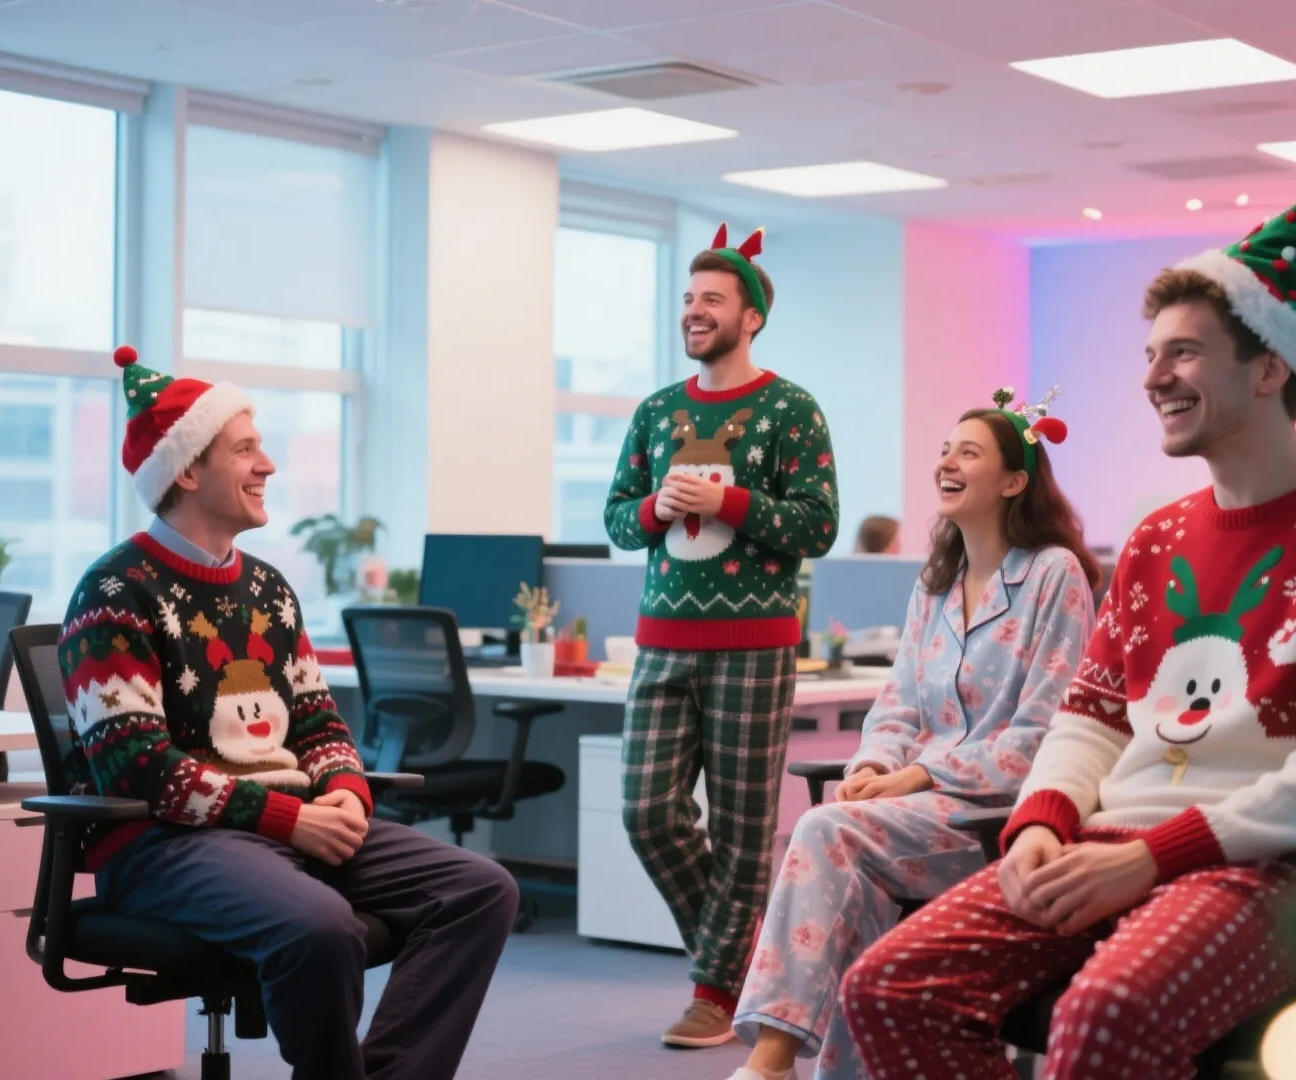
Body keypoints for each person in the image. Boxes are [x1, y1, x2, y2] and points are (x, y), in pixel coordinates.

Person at [840, 170, 1296, 1079]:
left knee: (1107, 1013)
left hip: (1273, 868)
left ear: (1270, 366)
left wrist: (1153, 858)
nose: (1154, 377)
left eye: (1186, 354)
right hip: (1105, 844)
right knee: (887, 988)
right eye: (1152, 353)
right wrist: (1043, 820)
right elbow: (1089, 720)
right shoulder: (1158, 538)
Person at [60, 347, 517, 1080]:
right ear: (186, 471)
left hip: (287, 824)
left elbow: (317, 722)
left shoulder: (268, 588)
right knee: (321, 927)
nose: (267, 464)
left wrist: (343, 793)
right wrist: (288, 819)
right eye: (245, 449)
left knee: (480, 890)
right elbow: (133, 762)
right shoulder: (115, 589)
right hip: (162, 847)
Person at [724, 395, 1103, 1080]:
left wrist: (923, 776)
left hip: (997, 816)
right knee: (854, 879)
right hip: (918, 816)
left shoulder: (1054, 574)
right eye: (944, 450)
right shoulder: (935, 585)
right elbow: (897, 703)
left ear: (1014, 481)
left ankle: (769, 1060)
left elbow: (1048, 732)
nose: (947, 463)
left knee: (824, 831)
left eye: (969, 453)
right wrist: (874, 765)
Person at [604, 224, 842, 1049]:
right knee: (645, 812)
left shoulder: (789, 408)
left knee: (743, 827)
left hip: (755, 642)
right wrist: (654, 511)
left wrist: (727, 504)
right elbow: (616, 519)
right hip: (661, 640)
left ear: (752, 318)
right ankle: (748, 958)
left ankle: (713, 988)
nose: (695, 312)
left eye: (713, 300)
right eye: (688, 300)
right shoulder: (657, 410)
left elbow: (819, 525)